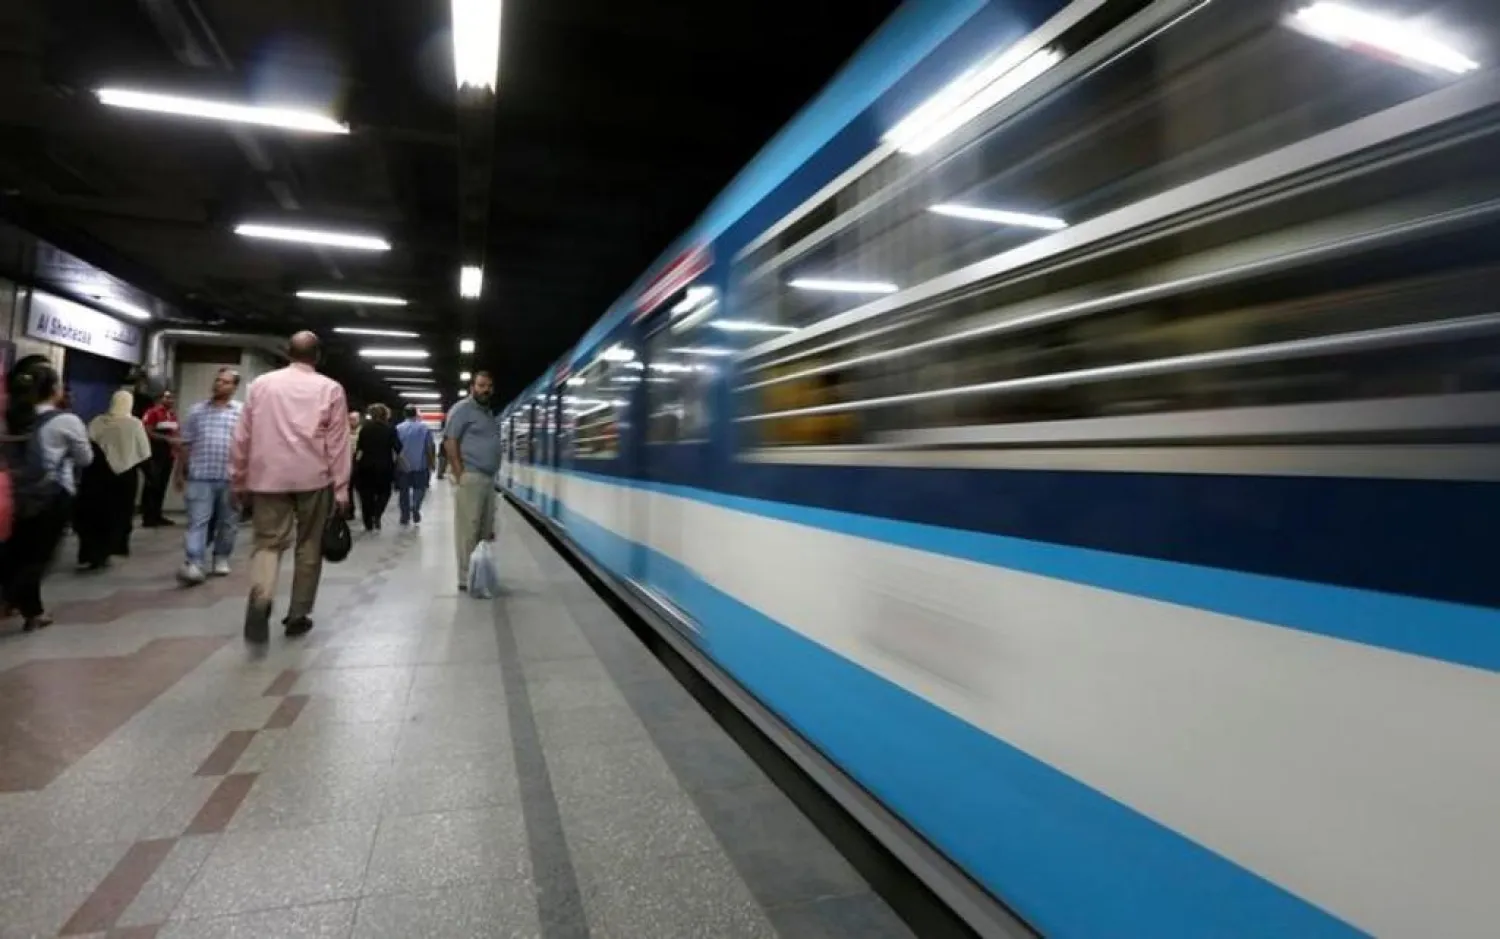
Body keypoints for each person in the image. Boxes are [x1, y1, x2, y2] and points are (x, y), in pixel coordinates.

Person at [230, 332, 351, 643]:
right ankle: (298, 614)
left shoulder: (261, 385)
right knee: (309, 545)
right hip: (314, 478)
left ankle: (261, 598)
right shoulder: (330, 389)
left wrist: (238, 478)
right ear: (318, 356)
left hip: (268, 477)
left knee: (267, 543)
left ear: (287, 353)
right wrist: (341, 488)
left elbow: (242, 436)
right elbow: (338, 443)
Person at [2, 362, 91, 632]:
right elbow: (85, 459)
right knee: (38, 557)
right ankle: (30, 610)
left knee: (15, 551)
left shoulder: (9, 418)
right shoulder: (66, 421)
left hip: (10, 493)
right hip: (51, 495)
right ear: (54, 389)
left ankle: (16, 603)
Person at [175, 367, 243, 584]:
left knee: (228, 522)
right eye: (218, 380)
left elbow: (248, 446)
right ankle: (194, 562)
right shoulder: (196, 411)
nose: (219, 384)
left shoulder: (242, 413)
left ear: (234, 387)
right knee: (197, 521)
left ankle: (221, 556)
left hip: (230, 478)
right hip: (200, 476)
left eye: (225, 382)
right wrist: (180, 472)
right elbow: (186, 444)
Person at [75, 390, 150, 570]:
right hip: (125, 478)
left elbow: (86, 445)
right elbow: (144, 452)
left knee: (95, 514)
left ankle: (92, 552)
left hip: (96, 475)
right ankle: (113, 548)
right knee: (119, 514)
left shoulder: (97, 422)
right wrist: (150, 475)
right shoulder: (134, 424)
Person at [444, 371, 502, 591]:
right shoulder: (462, 409)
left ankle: (479, 574)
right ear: (472, 387)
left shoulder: (487, 413)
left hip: (487, 478)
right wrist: (460, 473)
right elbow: (450, 441)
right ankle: (465, 577)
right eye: (481, 385)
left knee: (484, 530)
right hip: (471, 475)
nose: (485, 390)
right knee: (468, 529)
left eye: (489, 386)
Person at [354, 403, 401, 532]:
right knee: (385, 492)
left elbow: (360, 448)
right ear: (386, 415)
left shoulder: (365, 429)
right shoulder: (390, 429)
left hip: (366, 466)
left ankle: (368, 522)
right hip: (384, 466)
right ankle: (377, 513)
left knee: (366, 495)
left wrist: (356, 464)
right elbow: (398, 447)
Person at [140, 390, 179, 526]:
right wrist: (166, 439)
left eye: (172, 398)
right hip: (155, 453)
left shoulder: (172, 415)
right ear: (160, 399)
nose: (171, 400)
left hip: (168, 454)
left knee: (162, 485)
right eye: (168, 397)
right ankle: (148, 516)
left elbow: (175, 432)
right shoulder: (153, 413)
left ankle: (157, 514)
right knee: (152, 484)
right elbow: (147, 431)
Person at [394, 404, 435, 526]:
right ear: (416, 414)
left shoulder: (398, 428)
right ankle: (415, 506)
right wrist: (431, 462)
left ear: (404, 414)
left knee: (404, 492)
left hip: (403, 465)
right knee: (420, 488)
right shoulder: (424, 428)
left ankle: (405, 515)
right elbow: (429, 447)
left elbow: (394, 448)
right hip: (420, 464)